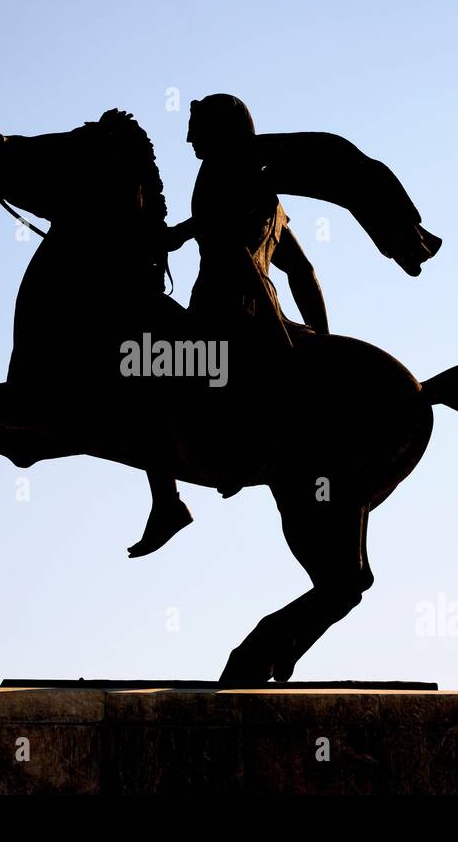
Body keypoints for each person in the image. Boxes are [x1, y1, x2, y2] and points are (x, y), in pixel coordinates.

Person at [127, 95, 332, 557]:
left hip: (223, 315)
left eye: (196, 128)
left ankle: (168, 503)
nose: (188, 138)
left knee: (143, 371)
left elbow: (223, 239)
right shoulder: (268, 201)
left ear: (221, 129)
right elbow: (301, 270)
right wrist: (320, 335)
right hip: (266, 314)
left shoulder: (218, 174)